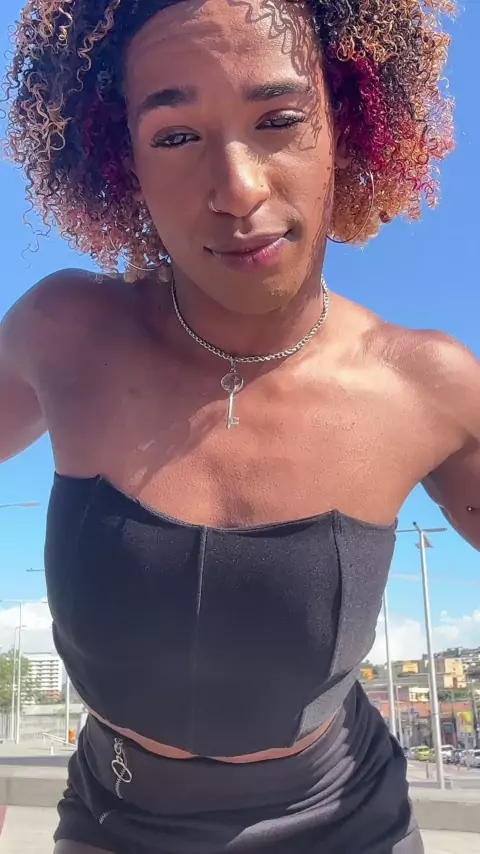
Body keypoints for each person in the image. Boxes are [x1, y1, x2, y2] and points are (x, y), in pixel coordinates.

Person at [1, 0, 479, 851]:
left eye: (280, 120)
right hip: (112, 818)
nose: (238, 190)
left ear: (348, 126)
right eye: (176, 135)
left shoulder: (426, 387)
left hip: (348, 823)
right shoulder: (64, 333)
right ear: (122, 160)